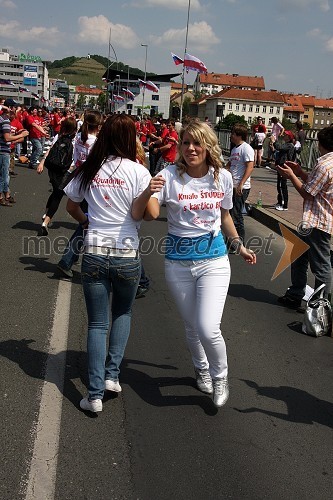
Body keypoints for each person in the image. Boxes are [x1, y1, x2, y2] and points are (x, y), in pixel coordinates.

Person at [132, 120, 256, 408]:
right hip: (178, 263)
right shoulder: (169, 176)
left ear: (208, 146)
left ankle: (220, 376)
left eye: (197, 143)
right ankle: (201, 370)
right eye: (186, 142)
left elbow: (224, 216)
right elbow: (148, 215)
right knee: (190, 326)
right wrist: (149, 191)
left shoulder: (222, 178)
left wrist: (238, 244)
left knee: (208, 326)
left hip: (213, 260)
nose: (190, 148)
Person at [64, 114, 151, 413]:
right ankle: (112, 376)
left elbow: (70, 205)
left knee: (98, 324)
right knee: (122, 312)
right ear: (131, 138)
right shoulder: (139, 171)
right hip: (127, 254)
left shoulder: (89, 168)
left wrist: (87, 222)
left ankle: (95, 395)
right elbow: (149, 214)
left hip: (95, 252)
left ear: (103, 136)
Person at [276, 126, 333, 309]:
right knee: (298, 256)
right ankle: (295, 294)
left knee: (321, 267)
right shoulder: (329, 163)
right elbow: (318, 185)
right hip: (315, 220)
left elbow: (308, 193)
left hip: (318, 221)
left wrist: (291, 175)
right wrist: (300, 172)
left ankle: (321, 307)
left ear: (320, 144)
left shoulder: (324, 165)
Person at [56, 110, 103, 277]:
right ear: (98, 126)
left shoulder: (78, 138)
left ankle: (69, 258)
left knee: (84, 223)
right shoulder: (97, 143)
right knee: (86, 224)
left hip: (79, 178)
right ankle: (67, 259)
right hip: (91, 184)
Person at [37, 117, 77, 235]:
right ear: (74, 129)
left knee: (55, 192)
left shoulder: (58, 137)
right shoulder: (76, 140)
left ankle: (46, 213)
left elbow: (50, 150)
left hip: (53, 168)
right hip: (66, 170)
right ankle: (46, 221)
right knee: (58, 195)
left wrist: (42, 162)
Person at [226, 123, 254, 243]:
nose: (231, 136)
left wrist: (241, 183)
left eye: (233, 134)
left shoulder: (246, 148)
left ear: (239, 135)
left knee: (237, 216)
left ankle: (239, 243)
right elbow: (230, 165)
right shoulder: (234, 149)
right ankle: (232, 241)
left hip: (241, 187)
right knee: (230, 214)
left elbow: (250, 167)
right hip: (232, 186)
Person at [0, 106, 29, 206]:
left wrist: (18, 137)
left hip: (8, 150)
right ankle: (1, 197)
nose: (17, 111)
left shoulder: (10, 121)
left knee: (5, 174)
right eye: (15, 109)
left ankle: (6, 194)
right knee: (3, 175)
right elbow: (7, 138)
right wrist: (22, 135)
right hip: (3, 151)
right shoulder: (5, 121)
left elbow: (13, 138)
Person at [270, 130, 295, 211]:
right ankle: (280, 201)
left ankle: (285, 205)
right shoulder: (286, 145)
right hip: (280, 166)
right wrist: (273, 150)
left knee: (283, 186)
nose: (283, 135)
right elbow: (279, 152)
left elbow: (279, 147)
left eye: (285, 135)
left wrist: (275, 141)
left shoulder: (290, 145)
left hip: (284, 166)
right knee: (279, 185)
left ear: (289, 137)